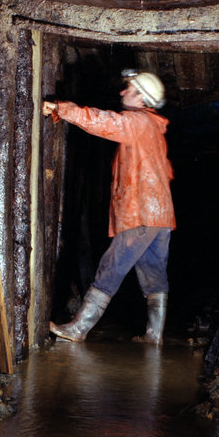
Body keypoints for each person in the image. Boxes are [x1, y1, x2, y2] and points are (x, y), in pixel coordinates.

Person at [42, 71, 174, 344]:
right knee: (153, 274)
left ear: (142, 98)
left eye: (129, 89)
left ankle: (79, 328)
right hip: (160, 215)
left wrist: (61, 109)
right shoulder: (153, 128)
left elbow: (104, 122)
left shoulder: (137, 122)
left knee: (112, 266)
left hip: (141, 211)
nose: (122, 92)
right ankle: (154, 335)